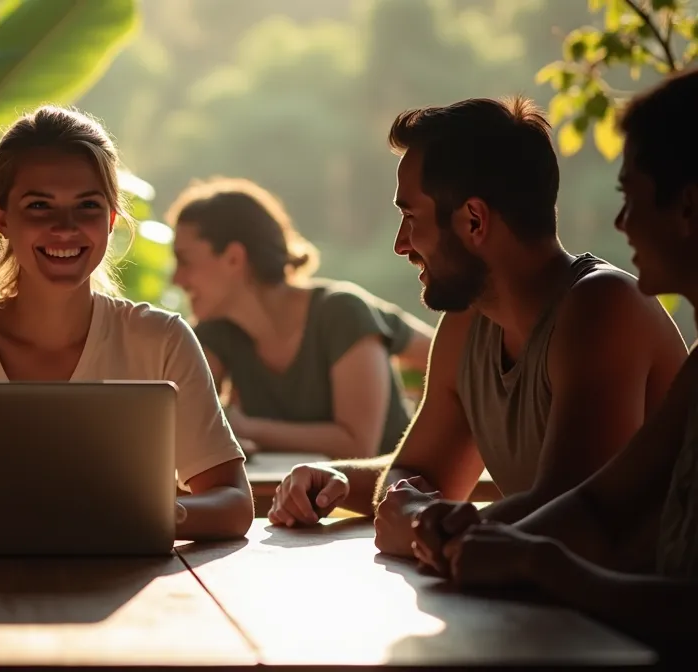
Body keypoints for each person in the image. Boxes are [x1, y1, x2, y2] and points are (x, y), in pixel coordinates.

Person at [267, 96, 687, 559]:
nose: (400, 244)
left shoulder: (602, 307)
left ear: (473, 220)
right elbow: (416, 474)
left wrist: (419, 523)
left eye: (410, 218)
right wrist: (344, 482)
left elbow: (570, 518)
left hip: (647, 626)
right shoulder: (469, 321)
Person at [0, 106, 254, 540]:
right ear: (1, 218)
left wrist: (141, 513)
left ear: (111, 219)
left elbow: (233, 503)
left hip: (127, 598)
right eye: (39, 206)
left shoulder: (162, 340)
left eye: (87, 206)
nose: (64, 228)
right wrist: (18, 519)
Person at [417, 68, 698, 658]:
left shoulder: (603, 304)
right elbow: (596, 503)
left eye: (631, 198)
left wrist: (539, 561)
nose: (621, 224)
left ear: (689, 208)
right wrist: (472, 534)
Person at [169, 177, 434, 459]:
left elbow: (357, 445)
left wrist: (246, 428)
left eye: (185, 260)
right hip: (284, 498)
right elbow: (181, 418)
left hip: (382, 497)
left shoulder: (343, 312)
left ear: (234, 258)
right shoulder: (216, 331)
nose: (175, 279)